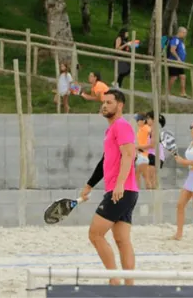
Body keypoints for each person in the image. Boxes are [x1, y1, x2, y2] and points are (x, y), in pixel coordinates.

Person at [80, 89, 138, 286]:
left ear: (120, 105)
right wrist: (89, 185)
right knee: (122, 240)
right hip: (125, 191)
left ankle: (114, 279)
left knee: (95, 234)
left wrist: (119, 184)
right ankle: (130, 287)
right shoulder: (111, 129)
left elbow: (129, 155)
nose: (104, 105)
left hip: (121, 190)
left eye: (109, 102)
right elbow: (105, 161)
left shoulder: (122, 125)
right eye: (103, 102)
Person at [167, 27, 188, 98]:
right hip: (174, 61)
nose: (185, 34)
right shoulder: (175, 40)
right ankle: (168, 92)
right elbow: (172, 50)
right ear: (180, 32)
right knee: (174, 77)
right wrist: (178, 58)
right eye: (184, 33)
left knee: (183, 76)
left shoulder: (180, 41)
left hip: (180, 63)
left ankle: (183, 92)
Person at [134, 114, 151, 187]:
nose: (137, 122)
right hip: (142, 155)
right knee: (144, 176)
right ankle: (151, 193)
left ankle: (137, 193)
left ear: (143, 121)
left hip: (143, 155)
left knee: (138, 176)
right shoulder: (141, 129)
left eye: (138, 120)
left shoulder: (145, 128)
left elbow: (150, 131)